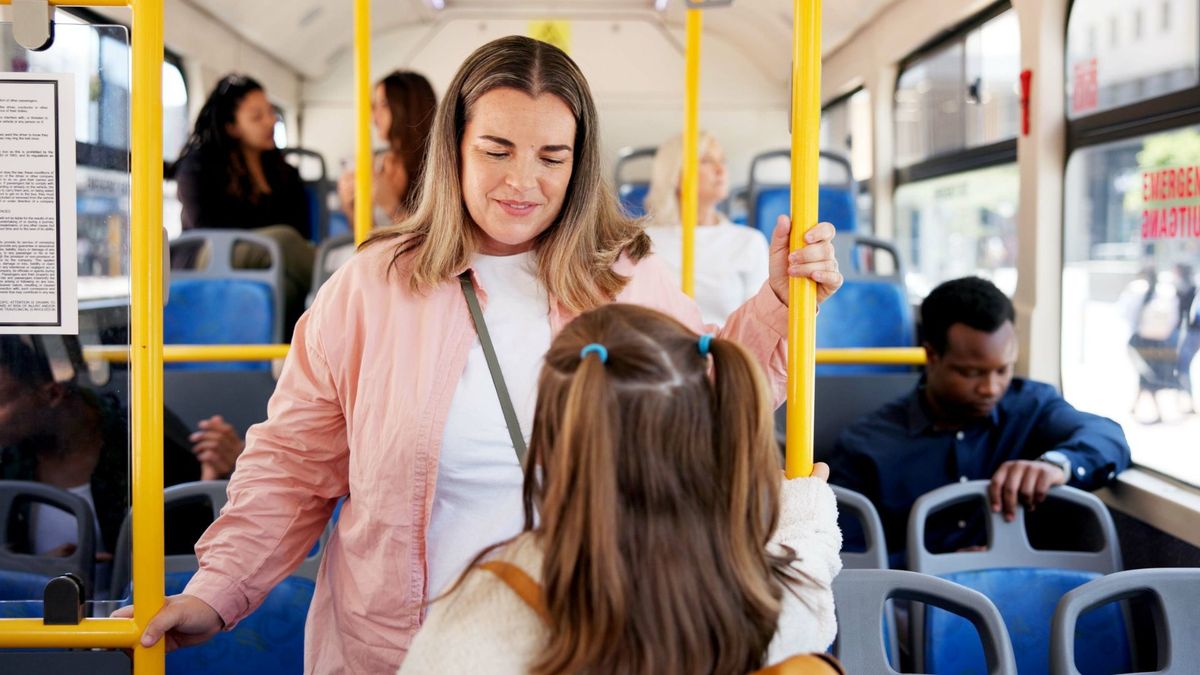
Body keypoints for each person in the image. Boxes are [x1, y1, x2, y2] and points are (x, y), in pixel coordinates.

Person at [123, 36, 843, 672]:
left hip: (586, 642)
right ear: (453, 147)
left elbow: (703, 393)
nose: (522, 182)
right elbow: (293, 465)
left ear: (579, 163)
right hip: (400, 647)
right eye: (496, 150)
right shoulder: (369, 289)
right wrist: (215, 590)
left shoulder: (623, 278)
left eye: (551, 157)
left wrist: (781, 303)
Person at [398, 304, 842, 675]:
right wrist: (805, 506)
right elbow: (810, 564)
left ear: (558, 440)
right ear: (703, 432)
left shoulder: (491, 608)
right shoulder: (762, 593)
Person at [828, 277, 1130, 566]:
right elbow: (848, 557)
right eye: (971, 373)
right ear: (931, 355)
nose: (992, 388)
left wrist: (1056, 464)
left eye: (1003, 370)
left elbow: (1108, 437)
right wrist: (932, 566)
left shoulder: (1031, 407)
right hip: (909, 601)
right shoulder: (867, 447)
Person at [0, 336, 227, 571]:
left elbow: (187, 549)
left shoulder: (144, 438)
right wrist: (37, 571)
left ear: (53, 394)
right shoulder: (9, 460)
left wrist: (219, 476)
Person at [173, 73, 315, 334]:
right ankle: (349, 292)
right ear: (231, 126)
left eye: (271, 112)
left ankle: (276, 364)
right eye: (257, 117)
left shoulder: (285, 174)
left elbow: (301, 229)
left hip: (269, 261)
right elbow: (208, 225)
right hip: (208, 255)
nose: (271, 121)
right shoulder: (200, 166)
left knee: (286, 286)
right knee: (281, 240)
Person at [642, 130, 770, 324]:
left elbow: (761, 321)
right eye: (706, 161)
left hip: (729, 350)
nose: (721, 169)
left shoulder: (749, 242)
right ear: (676, 174)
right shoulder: (644, 241)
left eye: (722, 161)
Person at [337, 71, 439, 229]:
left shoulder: (438, 166)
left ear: (410, 107)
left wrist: (392, 207)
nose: (373, 116)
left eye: (384, 105)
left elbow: (439, 239)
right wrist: (350, 206)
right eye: (374, 106)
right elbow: (367, 237)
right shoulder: (377, 163)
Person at [1119, 266, 1184, 423]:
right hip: (1160, 341)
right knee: (1148, 373)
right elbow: (1174, 318)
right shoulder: (1166, 292)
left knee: (1147, 374)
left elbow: (1126, 313)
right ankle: (1138, 406)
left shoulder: (1137, 290)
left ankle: (1155, 411)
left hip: (1142, 339)